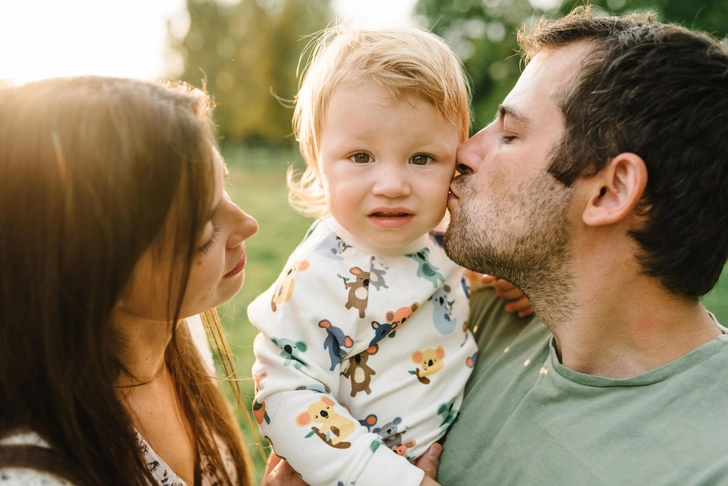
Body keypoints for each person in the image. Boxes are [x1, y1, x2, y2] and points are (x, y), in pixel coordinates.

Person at [428, 7, 728, 484]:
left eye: (508, 134)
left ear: (610, 192)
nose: (464, 152)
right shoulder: (466, 318)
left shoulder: (709, 465)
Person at [247, 25, 530, 486]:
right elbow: (283, 394)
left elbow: (437, 283)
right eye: (361, 157)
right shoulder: (317, 272)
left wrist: (508, 282)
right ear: (317, 158)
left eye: (421, 159)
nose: (393, 184)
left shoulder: (441, 239)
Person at [0, 77, 259, 485]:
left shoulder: (175, 332)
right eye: (205, 231)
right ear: (101, 276)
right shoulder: (33, 474)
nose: (248, 224)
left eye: (223, 188)